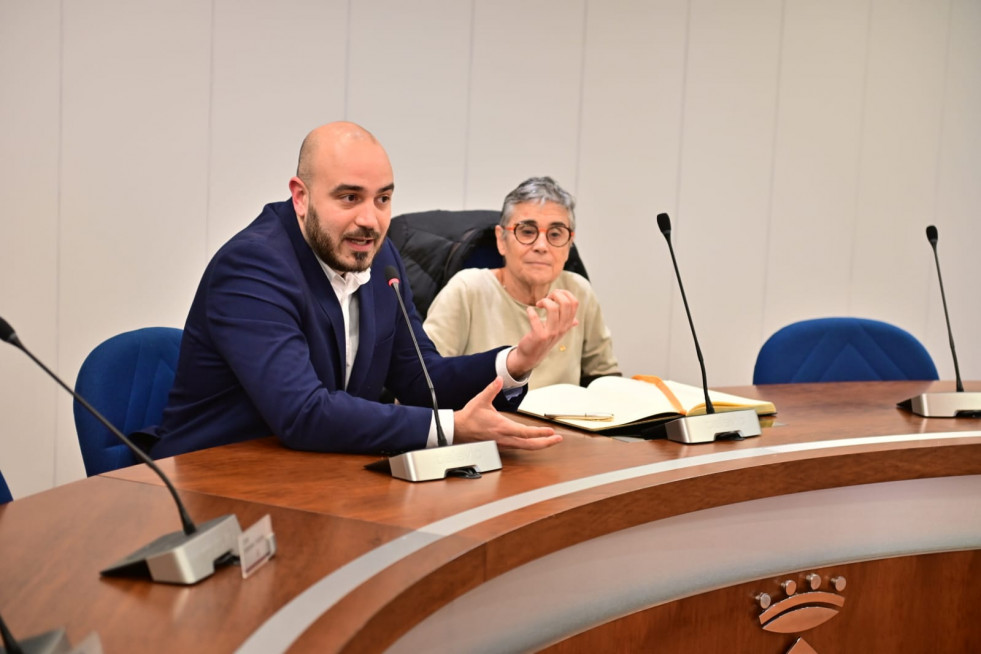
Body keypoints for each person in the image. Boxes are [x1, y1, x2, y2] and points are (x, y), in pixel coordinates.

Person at [150, 122, 577, 458]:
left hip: (315, 476)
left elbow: (421, 380)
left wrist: (517, 361)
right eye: (350, 198)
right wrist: (451, 428)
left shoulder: (381, 254)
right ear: (301, 197)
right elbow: (303, 414)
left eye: (382, 199)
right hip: (214, 484)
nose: (370, 220)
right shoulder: (252, 266)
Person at [423, 176, 619, 390]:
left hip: (563, 413)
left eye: (555, 234)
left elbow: (603, 376)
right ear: (501, 240)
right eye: (527, 232)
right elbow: (423, 382)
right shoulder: (467, 289)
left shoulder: (578, 291)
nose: (541, 246)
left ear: (569, 244)